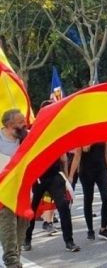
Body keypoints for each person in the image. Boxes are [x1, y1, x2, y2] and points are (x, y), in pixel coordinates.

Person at [22, 100, 79, 253]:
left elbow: (63, 157)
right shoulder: (33, 131)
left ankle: (69, 241)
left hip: (54, 175)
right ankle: (27, 239)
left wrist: (66, 175)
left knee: (63, 207)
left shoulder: (56, 130)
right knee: (31, 209)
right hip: (37, 176)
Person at [0, 109, 30, 268]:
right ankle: (12, 263)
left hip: (23, 193)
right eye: (20, 122)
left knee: (21, 231)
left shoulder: (27, 137)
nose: (24, 124)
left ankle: (16, 260)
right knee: (8, 231)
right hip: (3, 195)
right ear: (9, 125)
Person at [69, 142, 107, 240]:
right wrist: (71, 175)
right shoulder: (83, 134)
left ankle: (103, 229)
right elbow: (77, 155)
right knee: (88, 199)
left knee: (106, 198)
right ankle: (90, 229)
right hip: (86, 171)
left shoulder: (103, 134)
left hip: (101, 169)